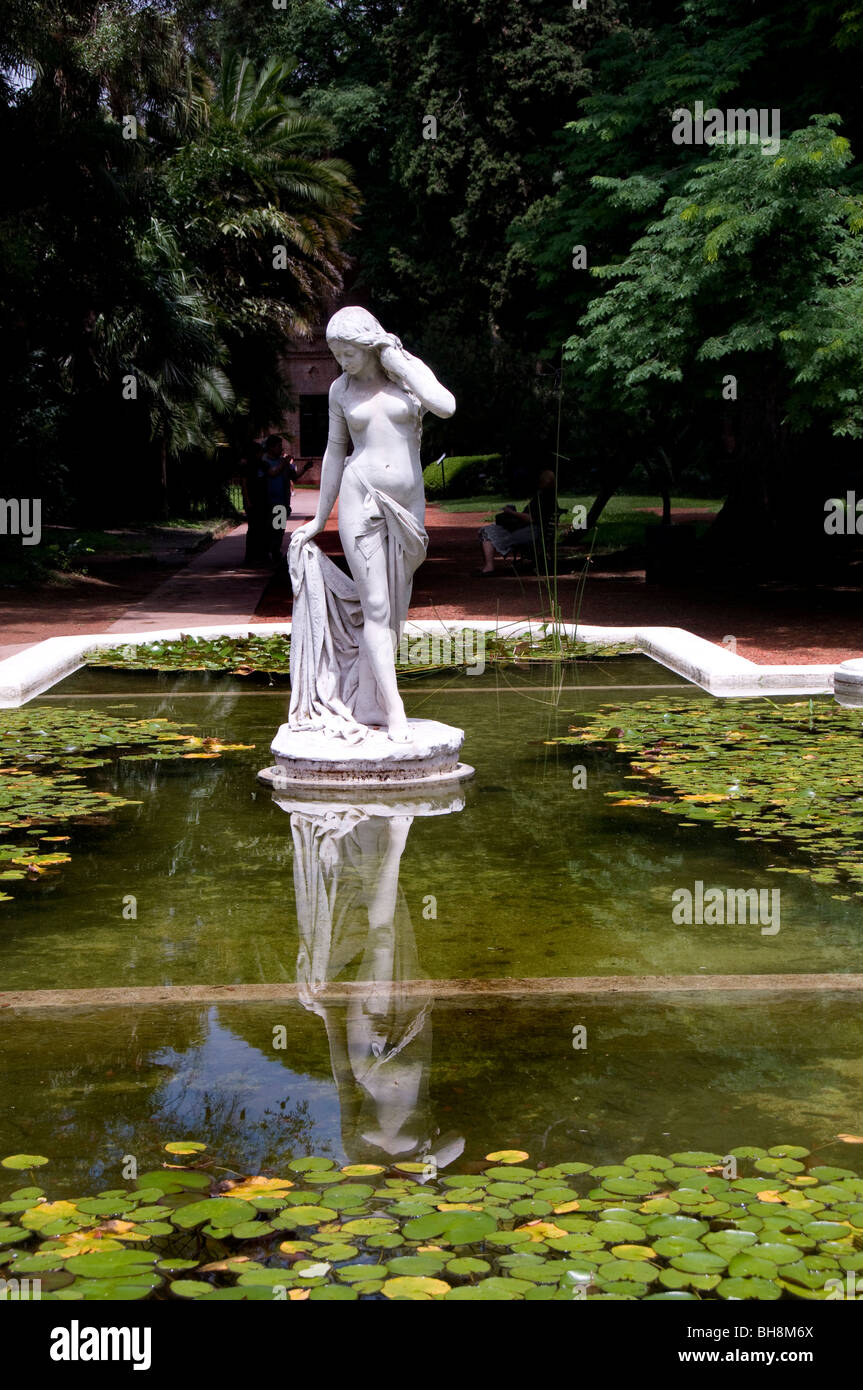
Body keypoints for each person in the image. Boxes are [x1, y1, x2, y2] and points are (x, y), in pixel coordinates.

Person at [290, 306, 455, 742]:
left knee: (396, 609)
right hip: (361, 499)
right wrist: (319, 519)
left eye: (349, 353)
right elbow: (333, 454)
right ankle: (395, 708)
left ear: (368, 343)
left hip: (407, 507)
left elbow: (445, 406)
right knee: (378, 609)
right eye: (337, 354)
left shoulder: (406, 373)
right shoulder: (339, 392)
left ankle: (367, 702)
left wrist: (398, 361)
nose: (343, 362)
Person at [475, 468, 560, 574]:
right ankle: (489, 566)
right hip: (536, 532)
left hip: (531, 533)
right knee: (489, 530)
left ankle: (489, 566)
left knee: (486, 531)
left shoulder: (543, 499)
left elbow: (530, 518)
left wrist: (511, 512)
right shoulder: (550, 498)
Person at [260, 435, 313, 564]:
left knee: (279, 529)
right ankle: (265, 553)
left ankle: (275, 551)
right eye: (278, 446)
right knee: (268, 529)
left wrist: (305, 468)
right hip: (268, 502)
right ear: (271, 448)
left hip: (281, 502)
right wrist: (284, 463)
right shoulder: (264, 462)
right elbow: (272, 473)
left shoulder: (281, 462)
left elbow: (294, 477)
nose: (281, 449)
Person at [238, 439, 269, 565]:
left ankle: (262, 554)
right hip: (253, 501)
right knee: (253, 529)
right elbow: (244, 484)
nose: (262, 454)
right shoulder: (247, 466)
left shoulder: (262, 464)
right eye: (260, 452)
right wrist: (247, 500)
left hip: (262, 500)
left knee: (262, 528)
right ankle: (250, 556)